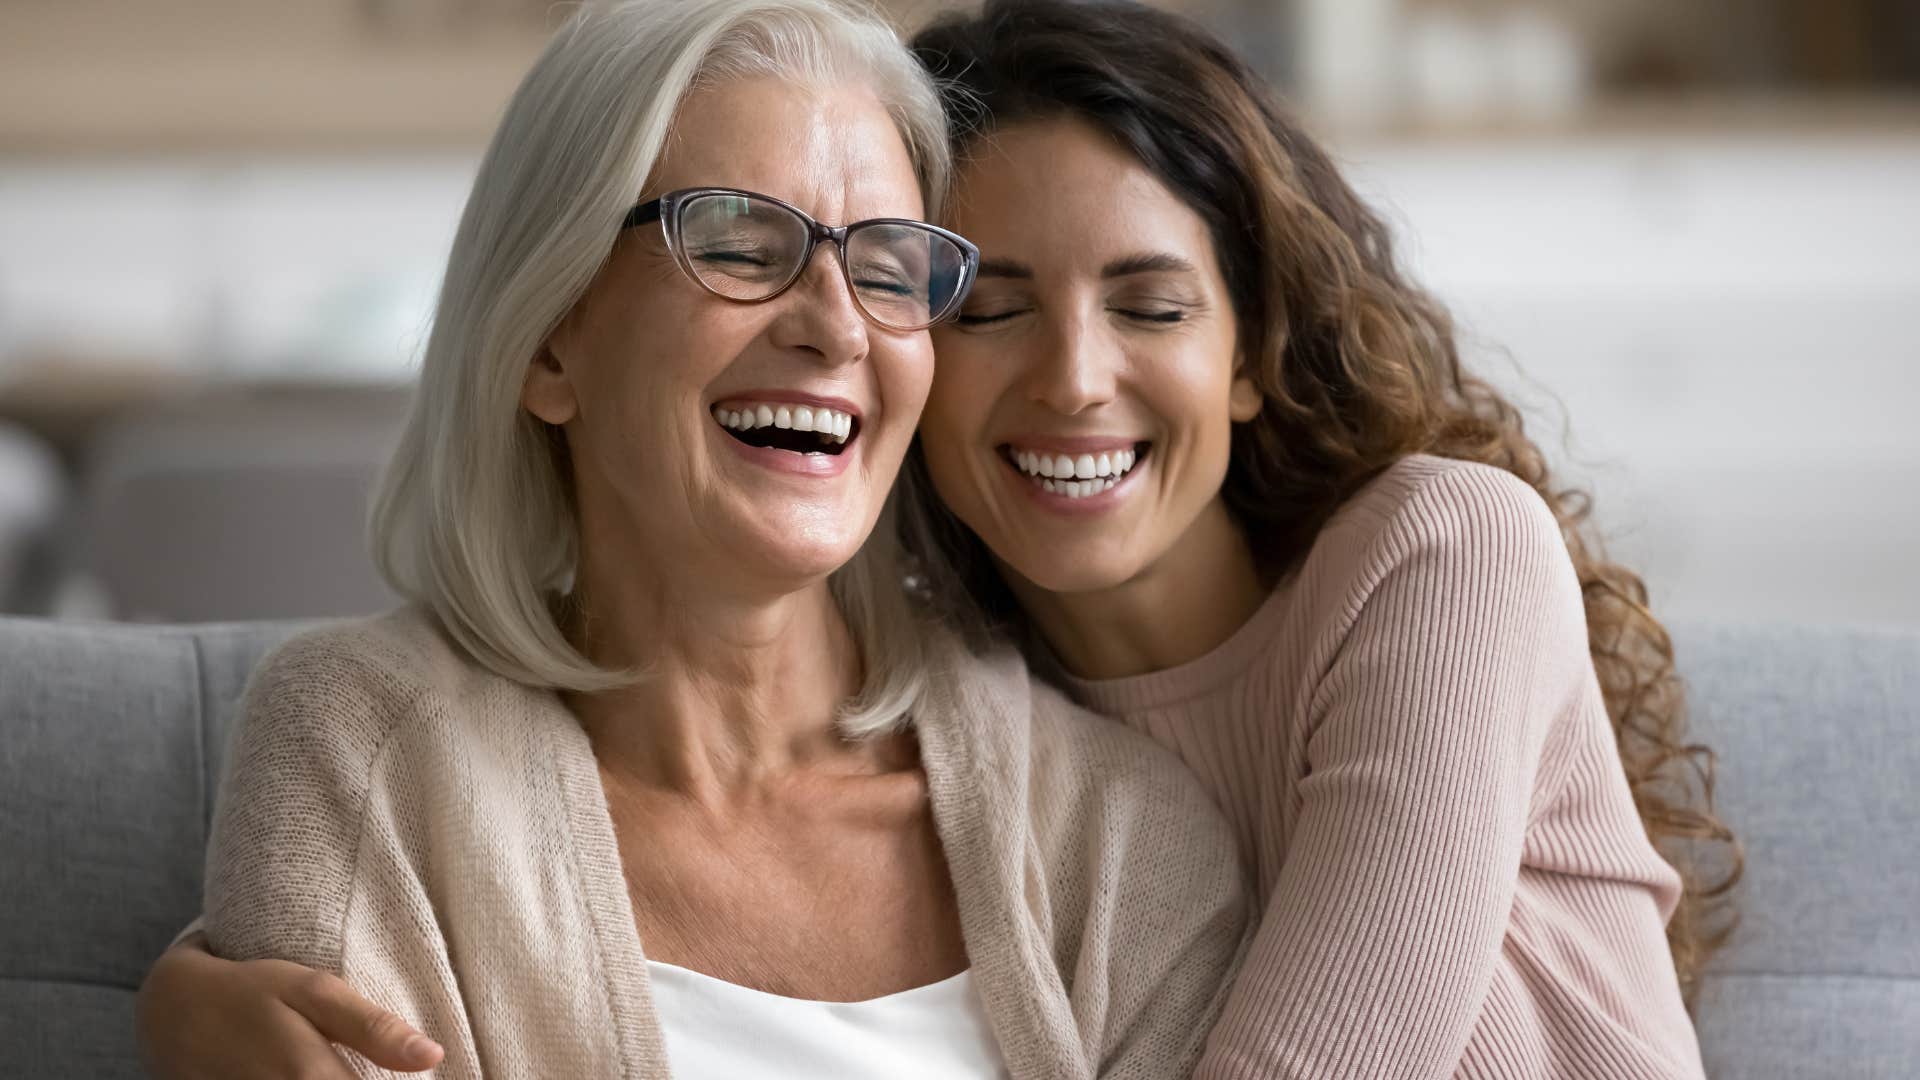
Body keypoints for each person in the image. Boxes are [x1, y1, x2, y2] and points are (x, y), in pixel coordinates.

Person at [134, 1, 1249, 1077]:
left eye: (887, 266)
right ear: (549, 342)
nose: (835, 324)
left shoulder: (1115, 836)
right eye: (736, 241)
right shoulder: (364, 747)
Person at [897, 1, 1739, 1076]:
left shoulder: (1443, 555)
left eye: (1151, 309)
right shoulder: (947, 707)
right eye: (989, 312)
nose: (1072, 380)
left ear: (1252, 357)